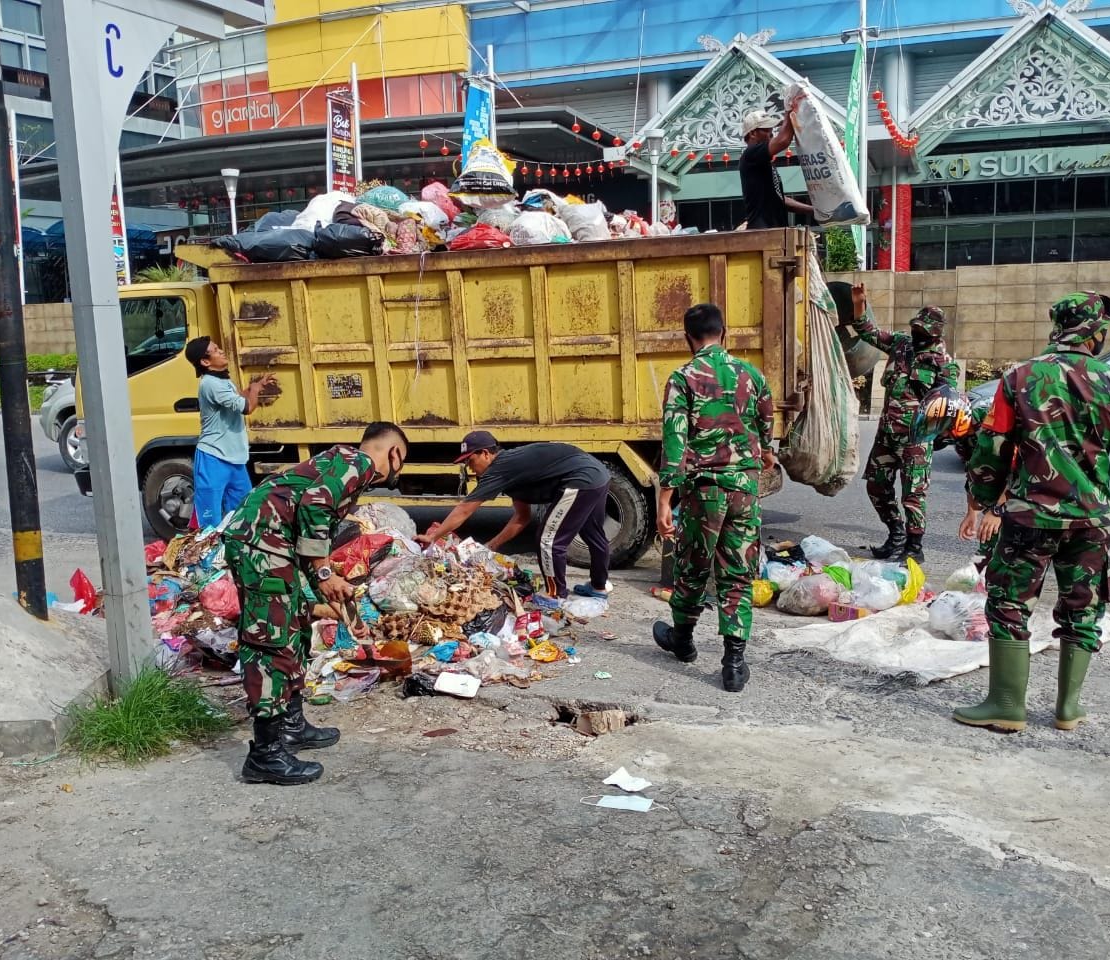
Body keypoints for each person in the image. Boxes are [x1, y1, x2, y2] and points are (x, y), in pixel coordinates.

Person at [955, 292, 1110, 734]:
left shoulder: (1019, 377)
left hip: (1030, 517)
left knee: (1010, 603)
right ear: (1096, 334)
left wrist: (984, 500)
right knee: (1084, 609)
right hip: (1092, 520)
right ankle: (1068, 708)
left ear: (1058, 327)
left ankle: (1006, 706)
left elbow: (991, 449)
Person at [223, 422, 409, 785]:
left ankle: (291, 727)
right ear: (394, 453)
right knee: (271, 641)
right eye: (401, 462)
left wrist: (327, 591)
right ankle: (265, 755)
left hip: (273, 545)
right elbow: (315, 506)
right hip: (260, 546)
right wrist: (324, 575)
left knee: (294, 626)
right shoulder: (360, 465)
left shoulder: (341, 461)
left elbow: (308, 525)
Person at [651, 303, 775, 693]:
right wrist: (766, 451)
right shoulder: (751, 374)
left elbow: (675, 442)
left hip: (703, 491)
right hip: (744, 490)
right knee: (736, 572)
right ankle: (734, 663)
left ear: (688, 338)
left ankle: (683, 642)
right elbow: (766, 422)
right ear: (726, 332)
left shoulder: (683, 377)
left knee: (693, 567)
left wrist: (664, 501)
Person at [415, 432, 611, 609]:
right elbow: (521, 517)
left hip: (581, 479)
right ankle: (598, 588)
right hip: (597, 473)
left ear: (485, 454)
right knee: (593, 534)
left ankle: (555, 595)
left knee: (548, 540)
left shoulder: (499, 468)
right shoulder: (513, 470)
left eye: (470, 461)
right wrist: (491, 546)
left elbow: (464, 510)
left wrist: (433, 537)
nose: (470, 468)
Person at [851, 284, 960, 563]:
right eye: (915, 327)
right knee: (876, 486)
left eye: (923, 331)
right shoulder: (900, 343)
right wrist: (859, 303)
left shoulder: (944, 363)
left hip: (916, 439)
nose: (916, 333)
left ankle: (914, 547)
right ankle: (895, 534)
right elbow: (868, 332)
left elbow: (948, 406)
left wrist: (938, 436)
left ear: (935, 334)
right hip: (887, 434)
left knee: (913, 495)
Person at [183, 336, 275, 529]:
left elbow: (236, 398)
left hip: (234, 459)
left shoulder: (222, 380)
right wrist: (255, 391)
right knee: (210, 520)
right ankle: (206, 558)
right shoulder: (210, 384)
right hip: (214, 458)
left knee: (243, 512)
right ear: (205, 362)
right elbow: (247, 407)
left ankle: (236, 556)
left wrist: (252, 387)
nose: (221, 351)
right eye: (216, 350)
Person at [738, 109, 814, 230]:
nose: (771, 134)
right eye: (767, 130)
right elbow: (783, 140)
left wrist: (813, 210)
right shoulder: (750, 155)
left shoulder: (762, 162)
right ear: (752, 134)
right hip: (764, 232)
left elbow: (780, 199)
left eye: (772, 130)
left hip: (775, 232)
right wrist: (789, 111)